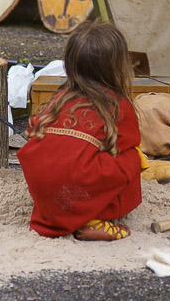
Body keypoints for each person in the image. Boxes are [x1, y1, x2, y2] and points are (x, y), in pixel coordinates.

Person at [19, 20, 144, 240]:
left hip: (47, 194)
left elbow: (33, 132)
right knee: (133, 157)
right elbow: (130, 143)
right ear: (118, 67)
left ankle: (63, 211)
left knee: (60, 161)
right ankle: (93, 218)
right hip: (77, 188)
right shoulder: (117, 105)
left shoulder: (58, 98)